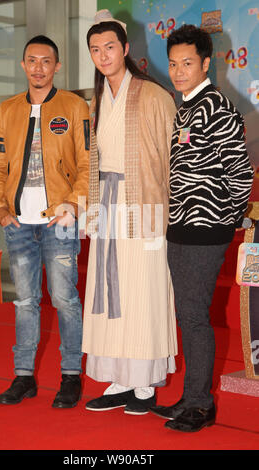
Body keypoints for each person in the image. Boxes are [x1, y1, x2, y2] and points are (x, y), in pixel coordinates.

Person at [151, 25, 254, 431]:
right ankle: (191, 397)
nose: (178, 72)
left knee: (194, 316)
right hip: (180, 229)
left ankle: (201, 406)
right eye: (173, 64)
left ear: (206, 63)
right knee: (187, 315)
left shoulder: (218, 107)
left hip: (205, 232)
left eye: (187, 63)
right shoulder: (186, 108)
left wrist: (222, 223)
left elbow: (241, 175)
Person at [81, 10, 178, 416]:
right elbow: (93, 159)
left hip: (146, 206)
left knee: (143, 291)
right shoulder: (97, 99)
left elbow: (174, 158)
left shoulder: (154, 95)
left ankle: (145, 385)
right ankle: (120, 378)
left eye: (109, 47)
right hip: (107, 201)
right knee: (110, 292)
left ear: (125, 48)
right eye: (94, 50)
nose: (102, 56)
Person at [0, 35, 89, 408]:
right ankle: (24, 377)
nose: (39, 68)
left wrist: (73, 205)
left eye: (46, 61)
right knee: (25, 302)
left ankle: (71, 376)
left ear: (57, 66)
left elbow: (86, 164)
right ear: (23, 65)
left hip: (58, 220)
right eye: (32, 60)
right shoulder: (7, 109)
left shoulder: (75, 106)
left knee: (64, 299)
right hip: (18, 223)